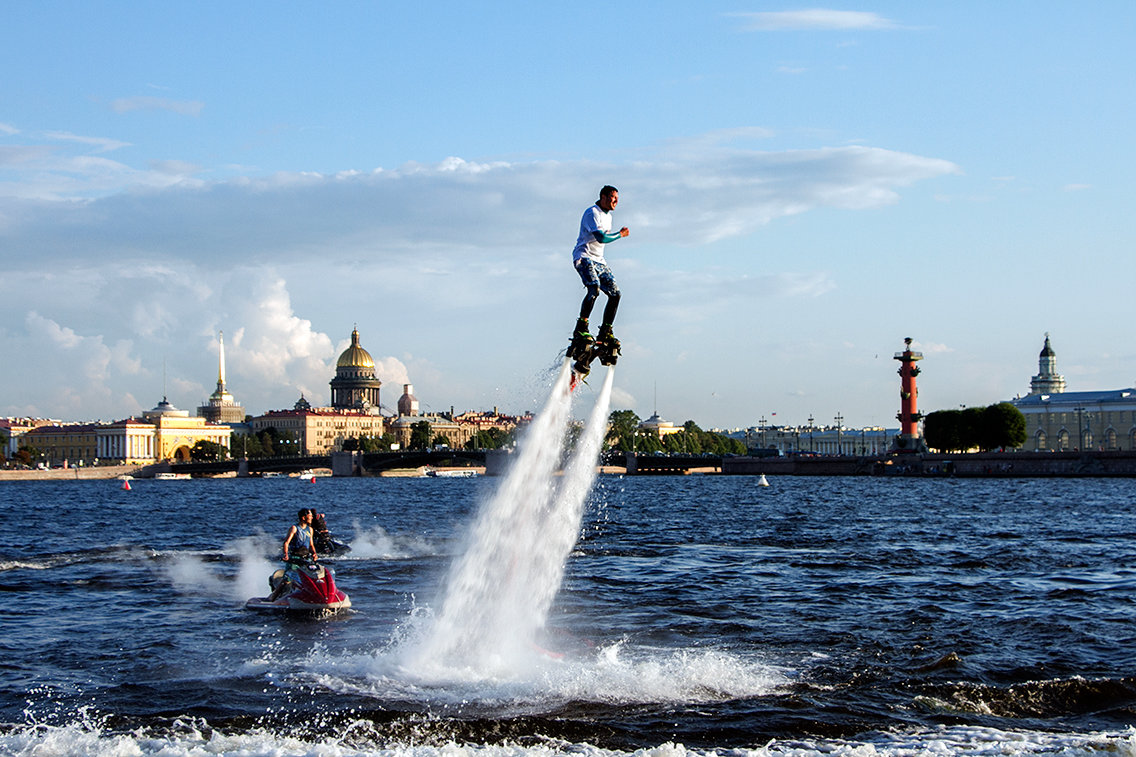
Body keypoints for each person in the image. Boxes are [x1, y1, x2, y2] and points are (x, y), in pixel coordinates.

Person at [571, 185, 629, 352]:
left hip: (599, 261)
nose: (616, 201)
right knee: (594, 288)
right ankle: (581, 327)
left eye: (617, 198)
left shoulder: (608, 217)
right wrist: (620, 234)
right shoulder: (592, 213)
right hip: (584, 257)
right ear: (603, 197)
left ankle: (605, 331)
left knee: (615, 294)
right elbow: (601, 238)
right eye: (613, 197)